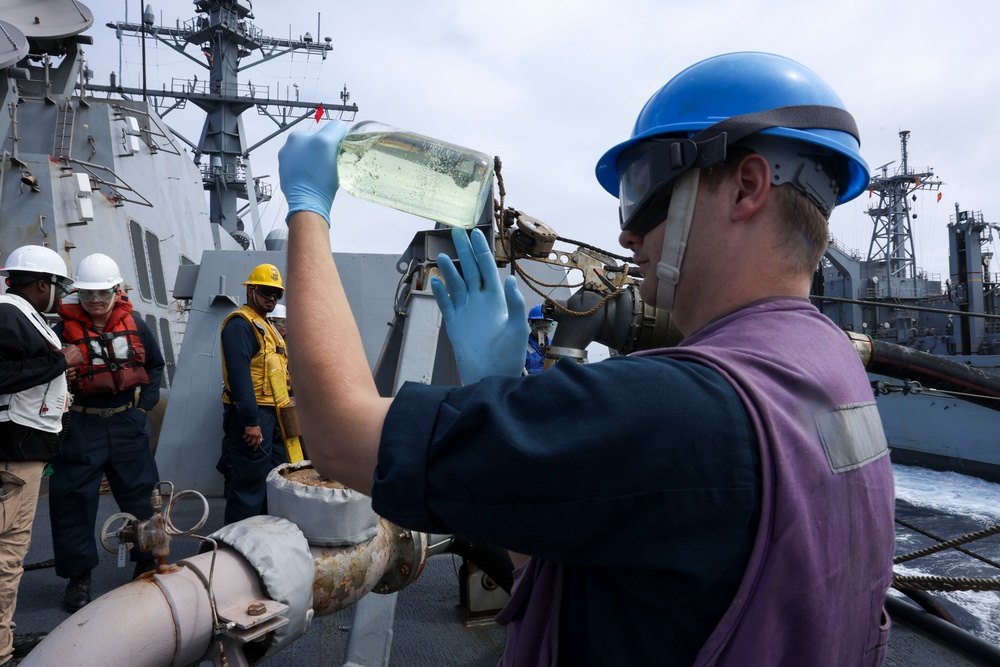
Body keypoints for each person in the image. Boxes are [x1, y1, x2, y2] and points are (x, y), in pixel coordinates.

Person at [278, 51, 896, 666]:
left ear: (747, 186)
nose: (628, 234)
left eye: (646, 187)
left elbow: (337, 434)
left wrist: (308, 209)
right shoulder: (835, 374)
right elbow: (567, 537)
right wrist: (500, 385)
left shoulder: (675, 407)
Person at [50, 253, 164, 613]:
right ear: (77, 294)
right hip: (81, 424)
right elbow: (45, 374)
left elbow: (155, 366)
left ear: (117, 290)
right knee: (72, 501)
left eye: (102, 293)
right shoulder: (59, 332)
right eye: (87, 294)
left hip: (126, 422)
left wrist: (143, 408)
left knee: (143, 498)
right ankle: (78, 578)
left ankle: (147, 562)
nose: (95, 301)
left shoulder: (138, 325)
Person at [0, 246, 83, 665]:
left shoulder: (23, 316)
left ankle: (4, 639)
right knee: (5, 555)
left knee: (11, 554)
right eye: (59, 286)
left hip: (24, 455)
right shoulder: (8, 313)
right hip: (12, 458)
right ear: (42, 284)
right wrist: (59, 364)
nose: (61, 294)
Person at [217, 264, 290, 524]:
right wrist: (251, 422)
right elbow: (240, 378)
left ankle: (265, 534)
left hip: (274, 413)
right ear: (251, 290)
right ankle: (236, 546)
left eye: (276, 294)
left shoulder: (267, 327)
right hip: (254, 414)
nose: (272, 298)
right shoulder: (240, 325)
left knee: (276, 476)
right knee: (249, 482)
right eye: (267, 292)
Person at [525, 304, 554, 375]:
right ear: (531, 325)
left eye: (546, 328)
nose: (542, 332)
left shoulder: (554, 346)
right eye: (538, 328)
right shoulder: (521, 347)